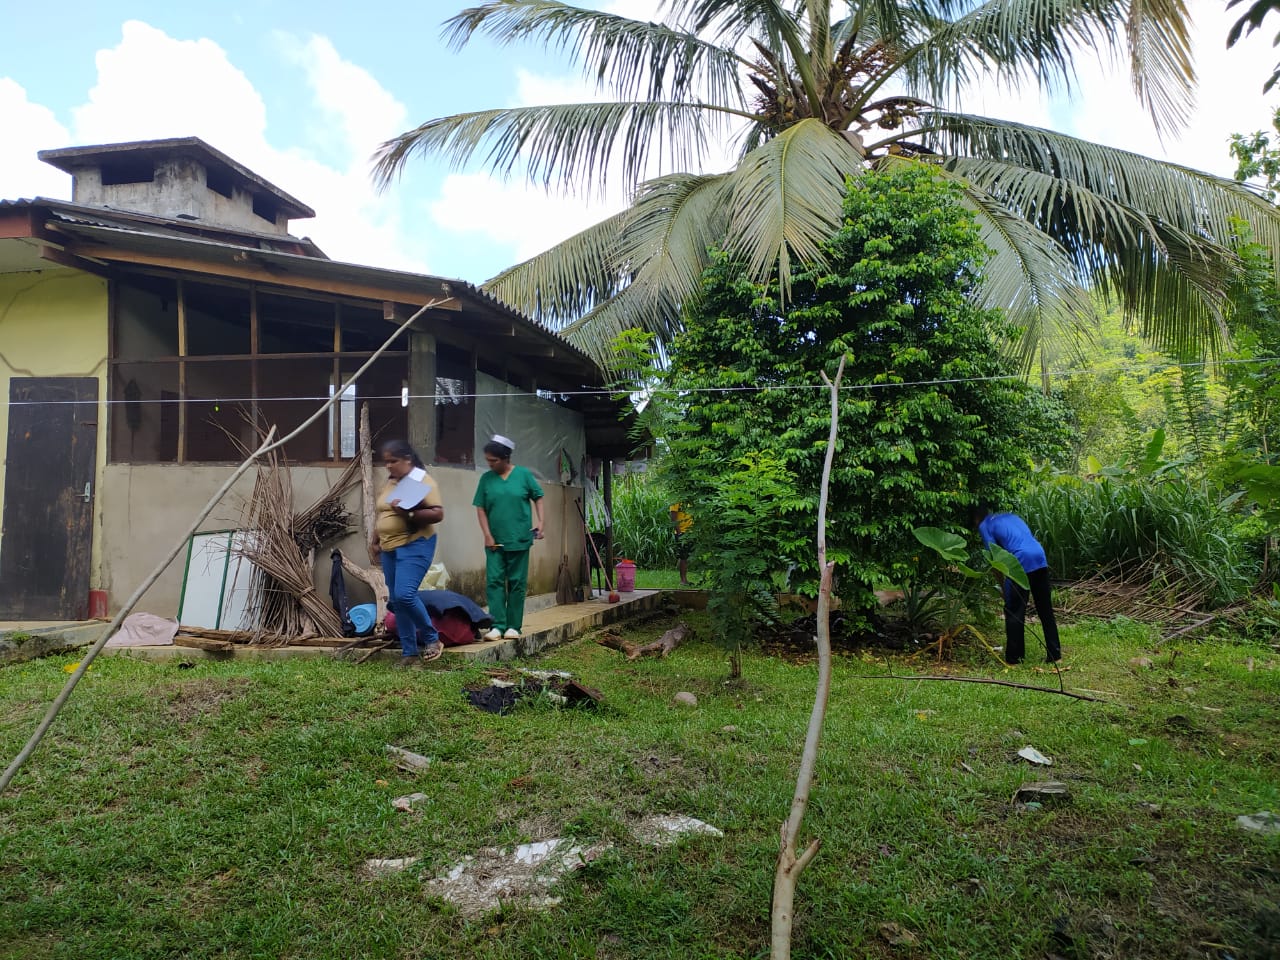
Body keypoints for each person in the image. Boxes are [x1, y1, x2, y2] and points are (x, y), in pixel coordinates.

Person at [372, 439, 445, 666]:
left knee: (405, 595)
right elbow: (383, 514)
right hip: (389, 548)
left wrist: (409, 513)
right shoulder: (392, 482)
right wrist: (375, 540)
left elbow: (437, 513)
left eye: (393, 461)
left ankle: (432, 638)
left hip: (415, 544)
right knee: (397, 600)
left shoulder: (421, 480)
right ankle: (409, 652)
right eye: (386, 462)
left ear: (407, 459)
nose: (389, 466)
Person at [473, 435, 545, 641]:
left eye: (493, 460)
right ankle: (497, 625)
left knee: (516, 583)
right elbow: (480, 508)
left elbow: (538, 497)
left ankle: (514, 626)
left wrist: (541, 523)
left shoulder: (523, 475)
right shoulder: (486, 479)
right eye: (488, 460)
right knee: (494, 582)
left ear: (505, 458)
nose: (490, 464)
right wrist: (486, 534)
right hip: (494, 541)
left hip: (519, 539)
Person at [971, 505, 1062, 665]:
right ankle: (1055, 656)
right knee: (1045, 609)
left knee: (1014, 610)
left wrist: (1004, 588)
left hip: (1021, 561)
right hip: (1039, 557)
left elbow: (995, 560)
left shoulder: (984, 525)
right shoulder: (1011, 517)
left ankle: (1015, 659)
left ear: (975, 519)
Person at [669, 502, 692, 586]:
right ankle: (683, 580)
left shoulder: (690, 499)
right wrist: (679, 533)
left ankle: (685, 579)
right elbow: (673, 517)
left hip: (691, 532)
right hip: (682, 532)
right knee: (683, 556)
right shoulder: (675, 501)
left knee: (687, 556)